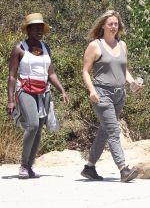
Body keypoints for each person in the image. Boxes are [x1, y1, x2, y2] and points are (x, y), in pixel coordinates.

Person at [81, 10, 143, 182]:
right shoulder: (95, 45)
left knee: (105, 131)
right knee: (114, 131)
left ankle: (89, 167)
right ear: (103, 25)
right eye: (110, 23)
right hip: (102, 94)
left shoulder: (122, 45)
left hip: (119, 94)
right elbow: (85, 71)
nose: (114, 27)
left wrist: (132, 83)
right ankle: (123, 169)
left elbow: (124, 70)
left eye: (116, 24)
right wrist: (92, 90)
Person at [6, 13, 69, 179]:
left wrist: (62, 90)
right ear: (28, 30)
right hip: (25, 90)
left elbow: (51, 73)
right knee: (32, 125)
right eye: (34, 27)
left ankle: (30, 166)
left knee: (39, 130)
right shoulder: (19, 49)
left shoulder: (46, 48)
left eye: (40, 27)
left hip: (44, 92)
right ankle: (23, 165)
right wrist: (11, 100)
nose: (38, 30)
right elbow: (12, 76)